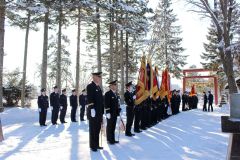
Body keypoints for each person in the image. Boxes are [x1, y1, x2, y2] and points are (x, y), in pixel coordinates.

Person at [87, 72, 104, 152]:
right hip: (93, 112)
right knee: (93, 129)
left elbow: (101, 101)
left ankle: (96, 144)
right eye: (98, 77)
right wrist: (92, 108)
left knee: (97, 129)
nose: (100, 78)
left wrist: (102, 111)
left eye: (100, 77)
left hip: (99, 112)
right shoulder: (90, 86)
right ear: (94, 77)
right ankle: (92, 145)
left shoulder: (99, 87)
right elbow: (90, 98)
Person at [105, 80, 121, 144]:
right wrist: (108, 112)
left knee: (113, 126)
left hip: (114, 113)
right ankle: (109, 139)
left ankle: (113, 139)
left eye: (115, 85)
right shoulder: (108, 94)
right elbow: (106, 104)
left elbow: (116, 104)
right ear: (111, 86)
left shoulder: (115, 94)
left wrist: (119, 110)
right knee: (109, 126)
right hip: (110, 113)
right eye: (114, 85)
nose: (115, 86)